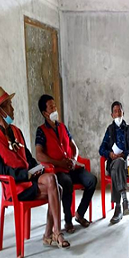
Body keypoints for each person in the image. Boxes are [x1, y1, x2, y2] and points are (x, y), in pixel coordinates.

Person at [0, 87, 68, 248]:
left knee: (54, 180)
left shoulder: (16, 131)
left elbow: (29, 158)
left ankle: (52, 233)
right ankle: (52, 234)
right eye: (9, 105)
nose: (13, 109)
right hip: (15, 187)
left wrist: (38, 169)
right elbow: (0, 170)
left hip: (31, 180)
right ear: (1, 111)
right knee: (56, 188)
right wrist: (26, 175)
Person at [34, 94, 97, 233]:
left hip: (72, 166)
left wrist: (74, 159)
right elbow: (39, 154)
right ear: (45, 113)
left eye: (55, 105)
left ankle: (79, 214)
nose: (55, 109)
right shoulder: (41, 131)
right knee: (66, 183)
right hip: (58, 171)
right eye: (51, 107)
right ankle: (68, 221)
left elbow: (74, 146)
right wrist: (58, 163)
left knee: (92, 180)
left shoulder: (62, 126)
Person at [98, 101, 129, 224]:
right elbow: (101, 149)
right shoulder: (109, 130)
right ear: (112, 115)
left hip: (127, 166)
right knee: (117, 165)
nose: (118, 114)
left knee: (120, 163)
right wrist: (110, 154)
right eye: (115, 112)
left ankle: (118, 207)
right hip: (112, 163)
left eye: (119, 111)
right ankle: (124, 200)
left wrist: (123, 154)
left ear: (123, 112)